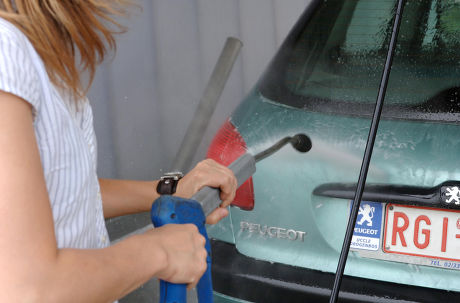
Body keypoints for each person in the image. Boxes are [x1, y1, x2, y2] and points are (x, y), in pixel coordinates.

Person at [0, 1, 237, 302]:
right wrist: (160, 251)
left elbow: (60, 193)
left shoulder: (33, 51)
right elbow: (29, 288)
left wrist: (173, 191)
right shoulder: (5, 51)